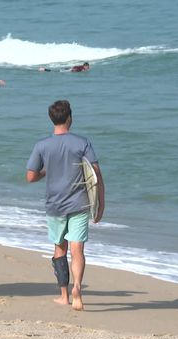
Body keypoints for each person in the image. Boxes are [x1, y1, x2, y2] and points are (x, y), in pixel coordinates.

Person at [26, 100, 105, 311]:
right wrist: (100, 203)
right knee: (77, 249)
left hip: (55, 205)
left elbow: (30, 176)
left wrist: (46, 171)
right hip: (80, 204)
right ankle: (77, 288)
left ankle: (64, 295)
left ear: (52, 119)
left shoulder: (42, 145)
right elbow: (95, 174)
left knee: (59, 249)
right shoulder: (82, 142)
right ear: (70, 117)